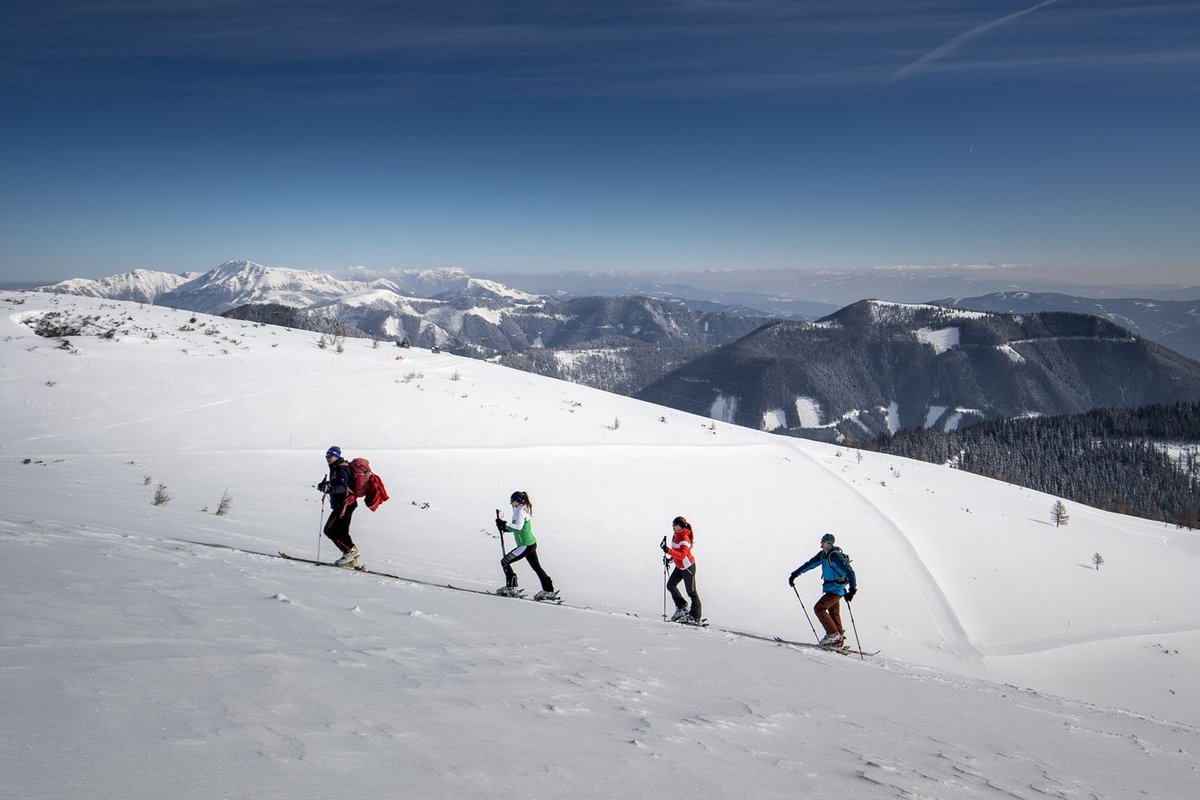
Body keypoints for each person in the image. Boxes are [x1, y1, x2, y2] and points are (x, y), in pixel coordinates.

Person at [788, 533, 857, 646]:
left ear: (828, 543)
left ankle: (833, 635)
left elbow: (850, 572)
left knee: (819, 608)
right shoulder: (823, 555)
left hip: (837, 588)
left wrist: (852, 590)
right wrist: (795, 574)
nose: (821, 543)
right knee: (833, 613)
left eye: (823, 541)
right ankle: (838, 641)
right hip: (830, 587)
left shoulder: (835, 556)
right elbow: (809, 564)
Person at [496, 491, 557, 600]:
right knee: (537, 567)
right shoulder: (520, 510)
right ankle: (548, 590)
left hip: (525, 545)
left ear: (518, 501)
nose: (511, 503)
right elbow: (518, 528)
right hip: (530, 544)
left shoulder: (520, 512)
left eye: (512, 501)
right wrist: (505, 527)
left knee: (505, 561)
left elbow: (518, 527)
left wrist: (504, 524)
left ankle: (511, 587)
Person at [317, 445, 360, 567]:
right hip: (347, 504)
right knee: (342, 532)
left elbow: (343, 487)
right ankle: (350, 559)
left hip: (344, 505)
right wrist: (325, 484)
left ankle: (351, 551)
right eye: (326, 456)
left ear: (336, 456)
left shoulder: (341, 468)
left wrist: (329, 489)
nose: (327, 458)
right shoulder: (337, 467)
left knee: (329, 530)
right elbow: (339, 483)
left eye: (330, 456)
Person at [661, 516, 702, 625]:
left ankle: (695, 616)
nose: (673, 527)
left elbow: (683, 555)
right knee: (670, 585)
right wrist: (669, 560)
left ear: (680, 526)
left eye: (674, 525)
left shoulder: (684, 538)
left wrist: (668, 551)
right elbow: (676, 551)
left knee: (692, 592)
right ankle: (682, 607)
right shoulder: (676, 534)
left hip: (688, 567)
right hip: (680, 566)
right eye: (673, 525)